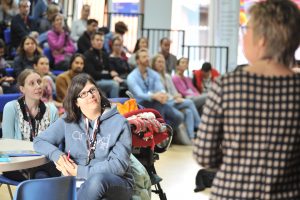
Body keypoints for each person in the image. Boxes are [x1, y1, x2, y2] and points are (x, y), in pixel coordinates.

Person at [193, 0, 300, 199]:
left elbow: (204, 154)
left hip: (232, 193)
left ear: (262, 39)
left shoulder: (227, 85)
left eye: (246, 29)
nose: (243, 36)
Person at [33, 73, 134, 200]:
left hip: (115, 182)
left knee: (97, 180)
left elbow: (118, 166)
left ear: (98, 92)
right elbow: (39, 141)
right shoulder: (68, 120)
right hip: (76, 180)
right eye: (83, 94)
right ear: (76, 102)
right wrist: (58, 156)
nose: (90, 95)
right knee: (40, 174)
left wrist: (79, 171)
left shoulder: (120, 123)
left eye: (92, 90)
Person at [2, 69, 59, 181]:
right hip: (18, 164)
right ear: (22, 89)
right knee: (42, 177)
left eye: (39, 81)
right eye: (32, 83)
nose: (38, 86)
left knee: (42, 174)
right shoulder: (11, 108)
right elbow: (8, 145)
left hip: (44, 162)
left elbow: (55, 143)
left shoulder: (52, 110)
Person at [127, 48, 183, 130]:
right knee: (158, 104)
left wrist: (162, 94)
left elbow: (160, 88)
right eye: (144, 57)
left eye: (147, 56)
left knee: (179, 117)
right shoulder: (131, 77)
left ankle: (164, 132)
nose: (147, 59)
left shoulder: (153, 74)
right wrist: (154, 96)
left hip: (156, 101)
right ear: (138, 61)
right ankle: (160, 135)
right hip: (140, 105)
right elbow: (139, 94)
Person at [152, 54, 200, 139]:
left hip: (172, 100)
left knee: (188, 111)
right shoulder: (153, 76)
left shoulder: (167, 76)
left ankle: (191, 138)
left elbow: (174, 91)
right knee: (189, 102)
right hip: (164, 102)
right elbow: (160, 92)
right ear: (154, 63)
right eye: (159, 62)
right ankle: (200, 127)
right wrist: (174, 97)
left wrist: (176, 96)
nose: (161, 64)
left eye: (162, 62)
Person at [83, 31, 119, 98]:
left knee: (124, 82)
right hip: (94, 81)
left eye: (101, 40)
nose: (100, 42)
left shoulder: (104, 54)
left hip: (105, 79)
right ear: (92, 41)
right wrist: (109, 75)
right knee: (114, 84)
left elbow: (110, 67)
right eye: (97, 40)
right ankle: (116, 106)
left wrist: (113, 73)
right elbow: (93, 74)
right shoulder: (87, 55)